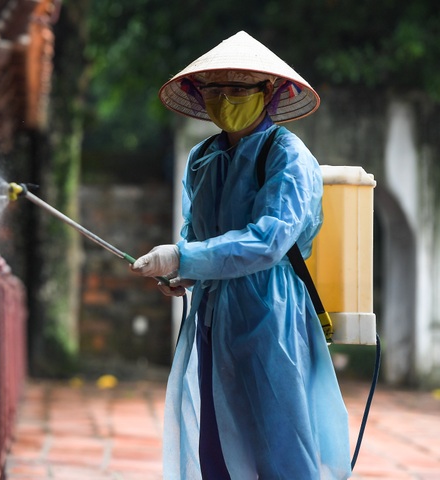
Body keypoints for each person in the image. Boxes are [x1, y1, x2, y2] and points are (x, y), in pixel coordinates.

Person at [130, 31, 352, 479]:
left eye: (238, 89)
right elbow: (195, 231)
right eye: (214, 90)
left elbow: (269, 241)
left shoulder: (287, 156)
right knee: (216, 434)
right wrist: (184, 272)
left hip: (271, 311)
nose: (224, 100)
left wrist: (183, 258)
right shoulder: (202, 157)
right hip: (213, 312)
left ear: (270, 92)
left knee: (278, 437)